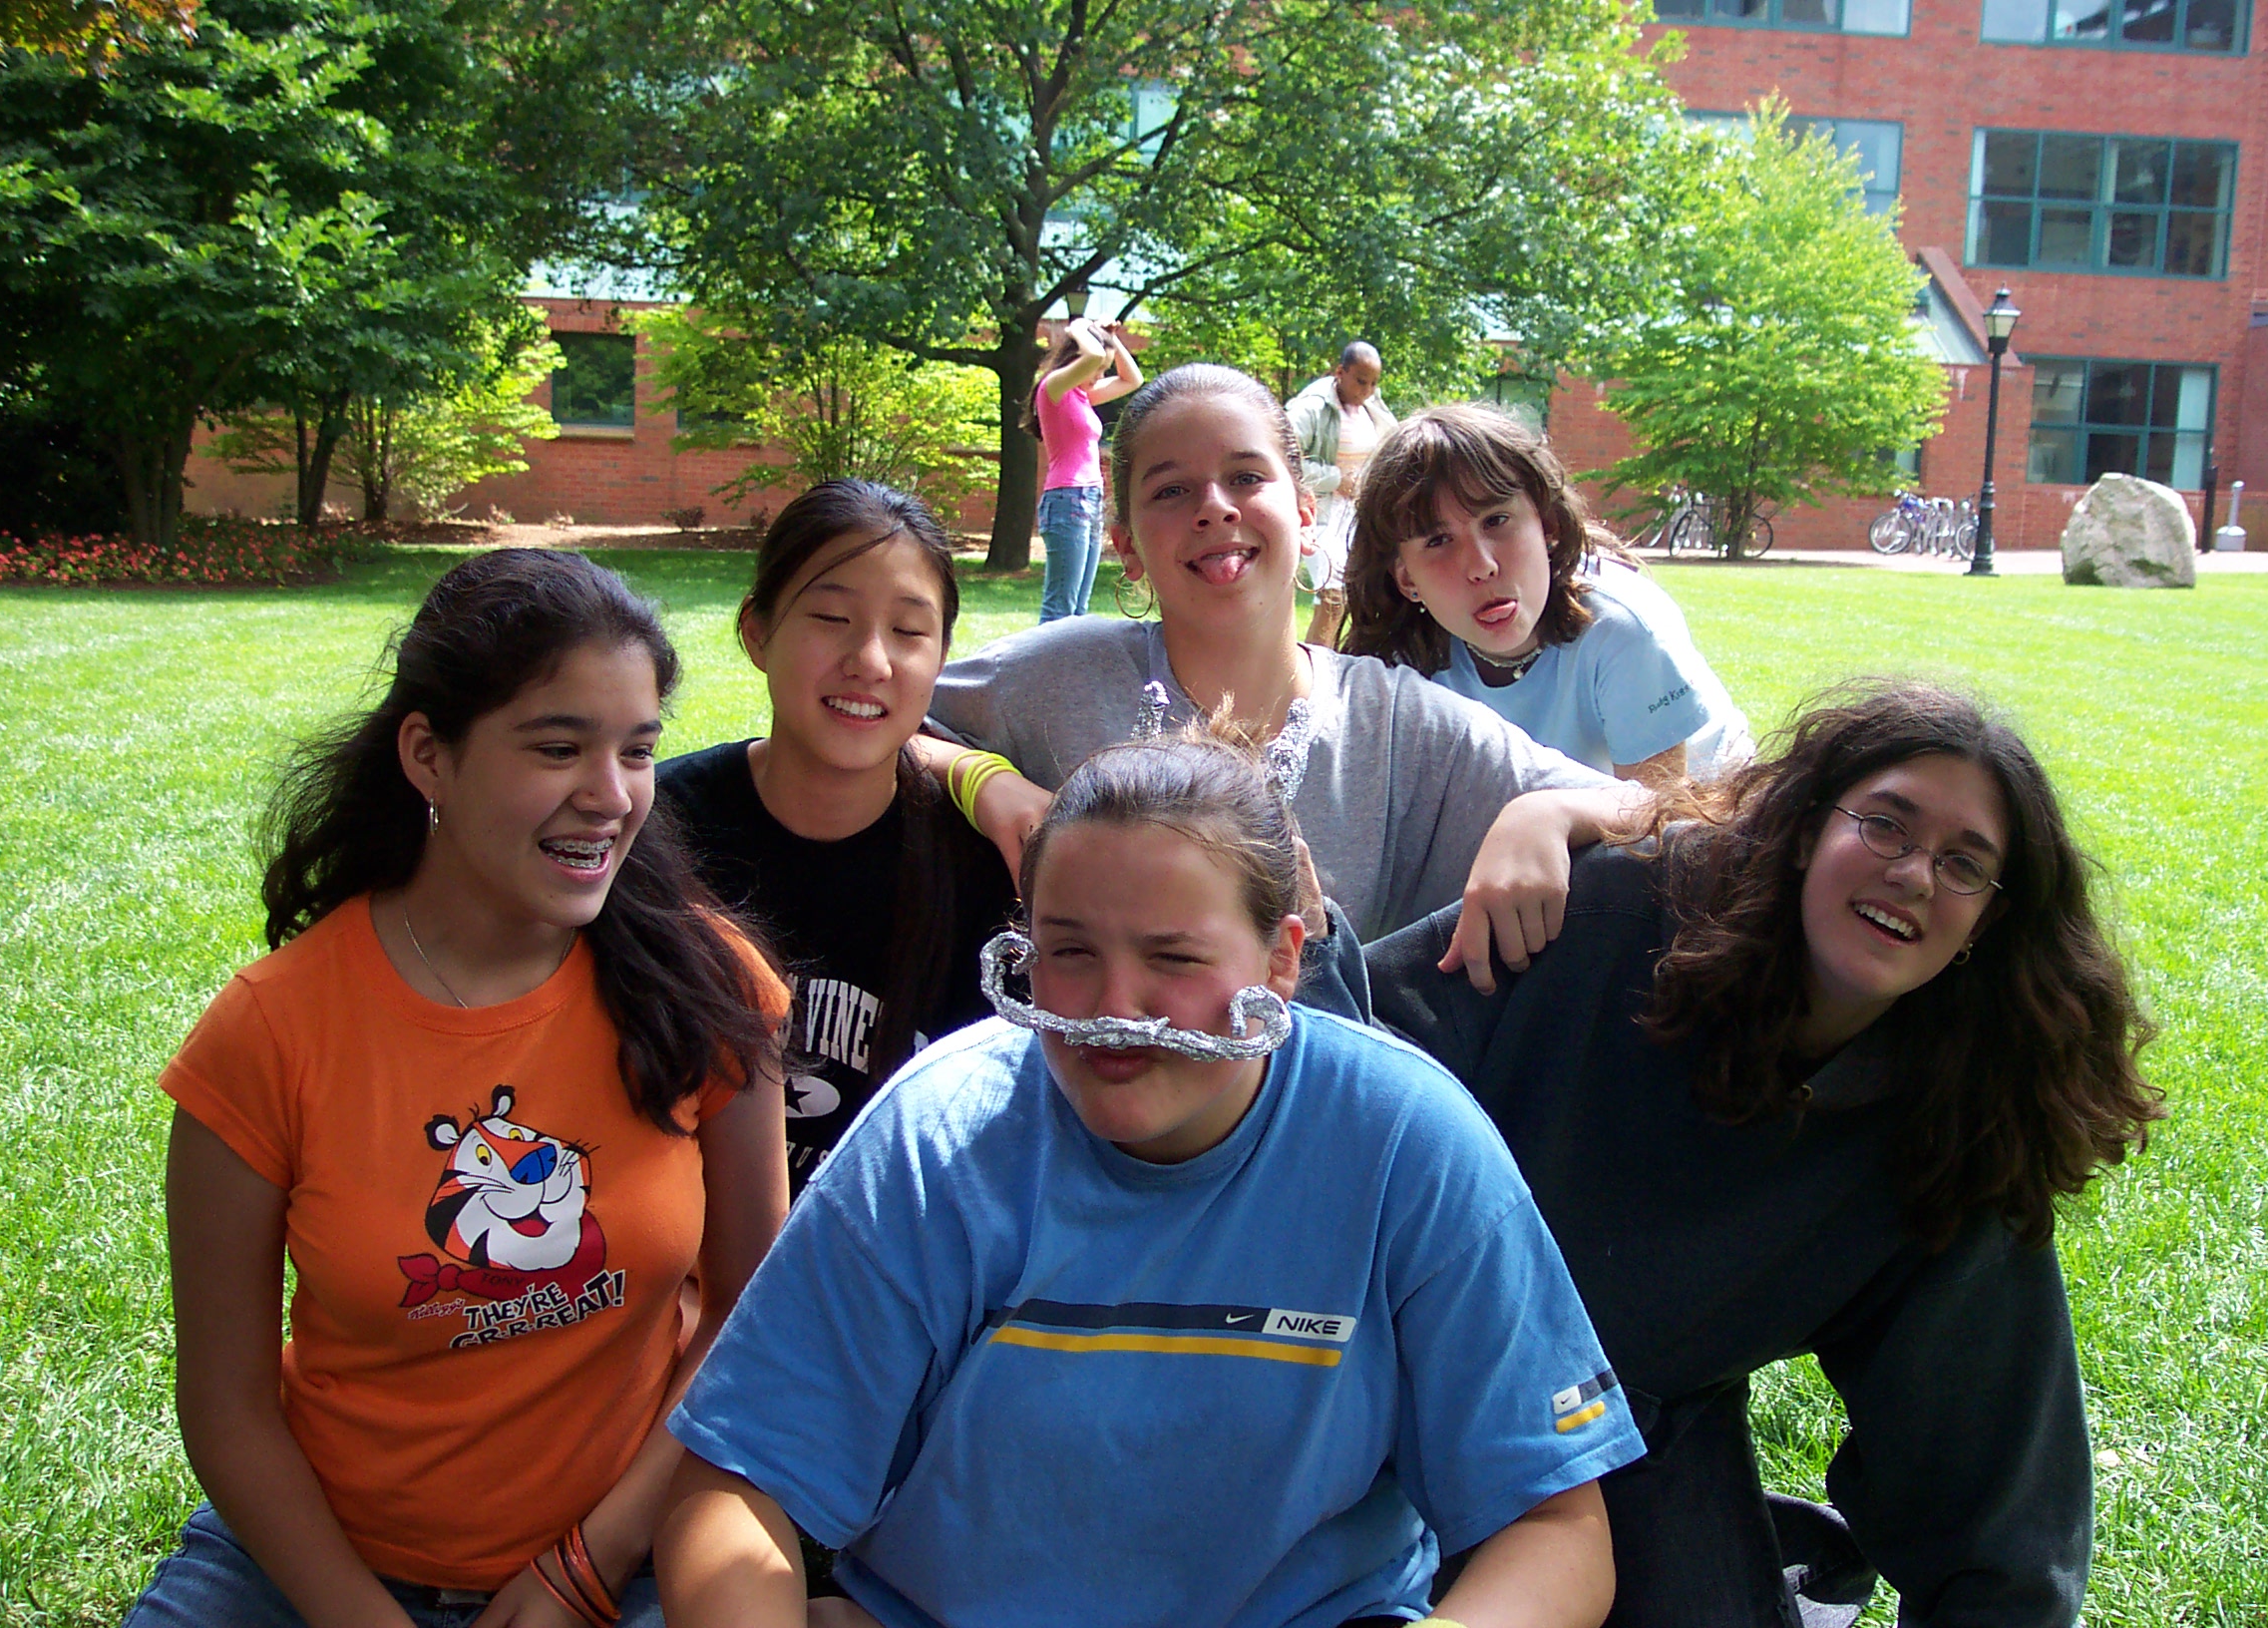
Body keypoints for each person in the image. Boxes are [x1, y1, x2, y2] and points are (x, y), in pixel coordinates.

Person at [651, 729, 1646, 1628]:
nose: (1113, 1007)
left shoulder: (1404, 1142)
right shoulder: (935, 1142)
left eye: (1173, 957)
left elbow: (1555, 1527)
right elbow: (733, 1487)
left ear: (1283, 960)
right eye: (1070, 952)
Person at [1366, 683, 2164, 1628]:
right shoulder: (1608, 919)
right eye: (1886, 825)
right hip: (1377, 1375)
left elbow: (1993, 1490)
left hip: (1633, 1441)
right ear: (1808, 829)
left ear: (1986, 925)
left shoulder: (1947, 1133)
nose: (1914, 874)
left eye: (1964, 865)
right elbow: (1333, 1072)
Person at [126, 550, 790, 1628]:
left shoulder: (708, 989)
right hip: (314, 1562)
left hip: (626, 1552)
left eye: (636, 749)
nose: (612, 796)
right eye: (558, 748)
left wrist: (589, 1563)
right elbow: (228, 1407)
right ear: (428, 757)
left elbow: (751, 1318)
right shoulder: (269, 1032)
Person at [922, 362, 1651, 995]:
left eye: (1246, 477)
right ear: (1127, 545)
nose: (1215, 507)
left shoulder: (1396, 724)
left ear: (1305, 515)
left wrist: (1547, 812)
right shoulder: (1056, 677)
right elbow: (877, 717)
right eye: (1172, 490)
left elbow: (1670, 811)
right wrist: (984, 781)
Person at [658, 480, 1020, 1192]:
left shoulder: (985, 865)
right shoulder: (661, 834)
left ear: (942, 656)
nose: (871, 660)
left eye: (909, 631)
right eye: (830, 617)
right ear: (757, 632)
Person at [1342, 404, 1750, 788]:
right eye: (1438, 540)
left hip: (1704, 808)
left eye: (1496, 520)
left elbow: (1655, 822)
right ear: (1406, 578)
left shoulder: (1622, 630)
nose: (1481, 565)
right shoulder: (1402, 662)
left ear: (1547, 524)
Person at [1027, 315, 1142, 623]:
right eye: (1098, 368)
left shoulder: (1082, 396)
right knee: (1060, 607)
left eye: (1104, 369)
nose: (1099, 375)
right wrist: (1079, 327)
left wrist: (1112, 338)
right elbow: (1091, 355)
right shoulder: (1053, 388)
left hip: (1090, 499)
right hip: (1067, 499)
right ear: (1077, 357)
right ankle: (1046, 657)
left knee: (1079, 608)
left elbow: (1133, 380)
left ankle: (1072, 658)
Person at [1287, 341, 1397, 648]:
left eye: (1374, 383)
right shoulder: (1311, 408)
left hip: (1359, 514)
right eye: (1361, 381)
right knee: (1333, 597)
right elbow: (1283, 459)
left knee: (1357, 600)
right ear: (1340, 372)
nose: (1367, 390)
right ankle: (1313, 674)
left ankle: (1335, 664)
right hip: (1319, 513)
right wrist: (1336, 480)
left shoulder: (1373, 407)